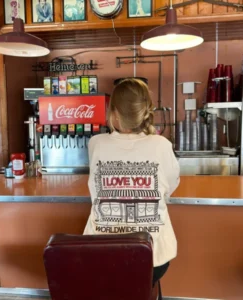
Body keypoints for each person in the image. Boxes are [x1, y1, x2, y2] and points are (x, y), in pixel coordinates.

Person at [84, 79, 180, 298]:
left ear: (114, 113)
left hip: (101, 255)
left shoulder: (96, 144)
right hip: (154, 257)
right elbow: (169, 189)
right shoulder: (162, 145)